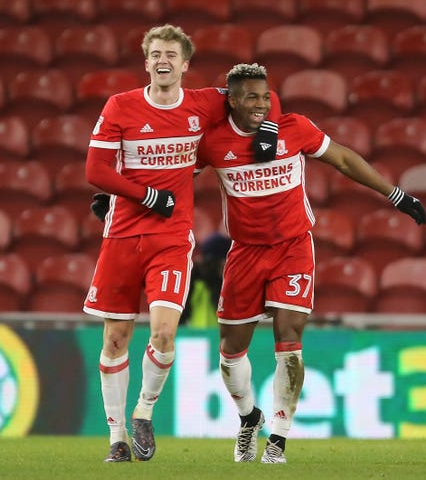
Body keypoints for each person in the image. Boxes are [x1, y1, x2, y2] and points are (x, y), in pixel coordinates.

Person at [196, 63, 426, 464]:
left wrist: (396, 196)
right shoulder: (212, 143)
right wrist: (118, 198)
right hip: (245, 252)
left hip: (293, 247)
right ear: (230, 100)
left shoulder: (294, 128)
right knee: (232, 351)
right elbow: (170, 175)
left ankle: (278, 442)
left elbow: (342, 159)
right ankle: (250, 418)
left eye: (266, 96)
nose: (261, 104)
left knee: (290, 338)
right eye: (251, 97)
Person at [83, 26, 280, 463]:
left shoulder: (203, 103)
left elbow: (257, 94)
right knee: (115, 338)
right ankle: (116, 438)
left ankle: (143, 413)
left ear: (185, 64)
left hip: (171, 238)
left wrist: (267, 126)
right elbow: (95, 170)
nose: (162, 60)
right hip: (121, 237)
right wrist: (146, 195)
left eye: (171, 53)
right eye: (155, 53)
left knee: (164, 332)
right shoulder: (121, 106)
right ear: (146, 61)